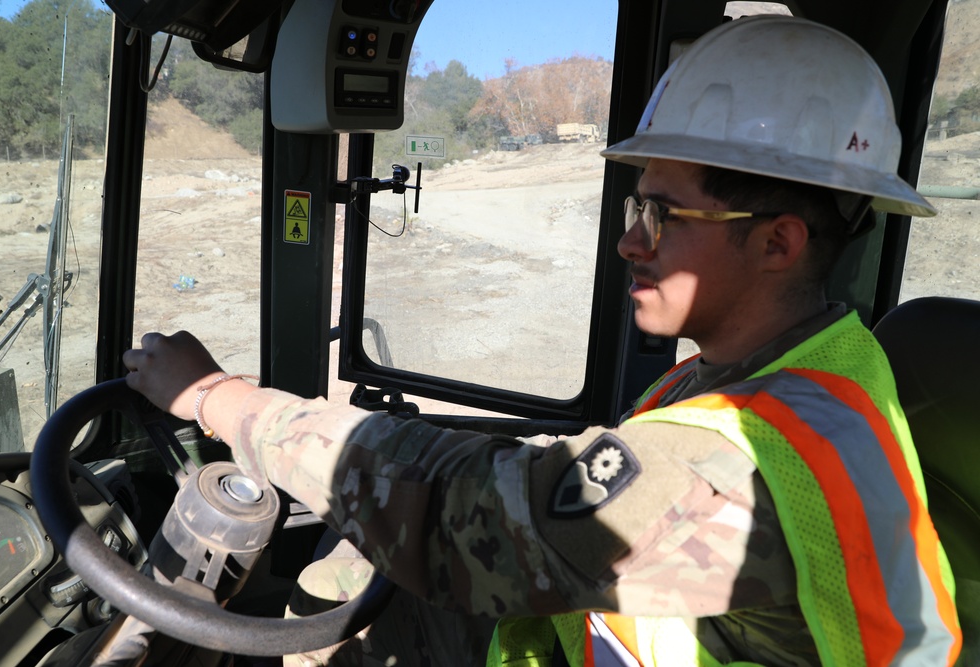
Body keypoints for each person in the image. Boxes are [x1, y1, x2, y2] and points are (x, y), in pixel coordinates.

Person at [123, 15, 962, 666]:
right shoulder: (790, 369)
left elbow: (467, 522)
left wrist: (216, 398)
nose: (630, 242)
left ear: (778, 242)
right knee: (349, 577)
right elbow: (568, 476)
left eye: (661, 215)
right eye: (638, 209)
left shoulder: (748, 462)